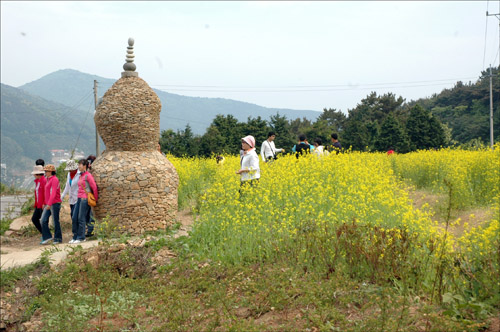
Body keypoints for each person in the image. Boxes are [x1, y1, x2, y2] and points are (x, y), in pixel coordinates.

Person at [70, 159, 98, 244]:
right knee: (74, 217)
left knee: (81, 218)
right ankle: (75, 236)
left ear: (85, 166)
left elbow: (94, 187)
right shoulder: (80, 175)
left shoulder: (88, 175)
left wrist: (95, 199)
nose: (78, 166)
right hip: (78, 198)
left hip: (85, 199)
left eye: (80, 165)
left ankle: (81, 237)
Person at [40, 164, 62, 244]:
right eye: (45, 171)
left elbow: (53, 193)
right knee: (43, 220)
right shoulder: (48, 179)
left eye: (46, 171)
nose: (45, 172)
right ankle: (47, 236)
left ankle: (58, 238)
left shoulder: (54, 179)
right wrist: (45, 203)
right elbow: (46, 193)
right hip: (48, 203)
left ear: (51, 172)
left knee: (55, 221)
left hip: (54, 203)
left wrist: (49, 204)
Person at [30, 165, 46, 236]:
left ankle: (46, 234)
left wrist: (44, 202)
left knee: (42, 220)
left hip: (42, 204)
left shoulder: (43, 181)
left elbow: (46, 192)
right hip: (38, 204)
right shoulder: (37, 181)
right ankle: (44, 233)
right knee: (35, 219)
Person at [85, 155, 97, 237]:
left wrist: (95, 197)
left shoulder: (90, 173)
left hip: (91, 196)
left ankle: (90, 231)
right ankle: (90, 229)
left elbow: (94, 186)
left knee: (91, 214)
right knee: (88, 214)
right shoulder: (87, 173)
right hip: (87, 196)